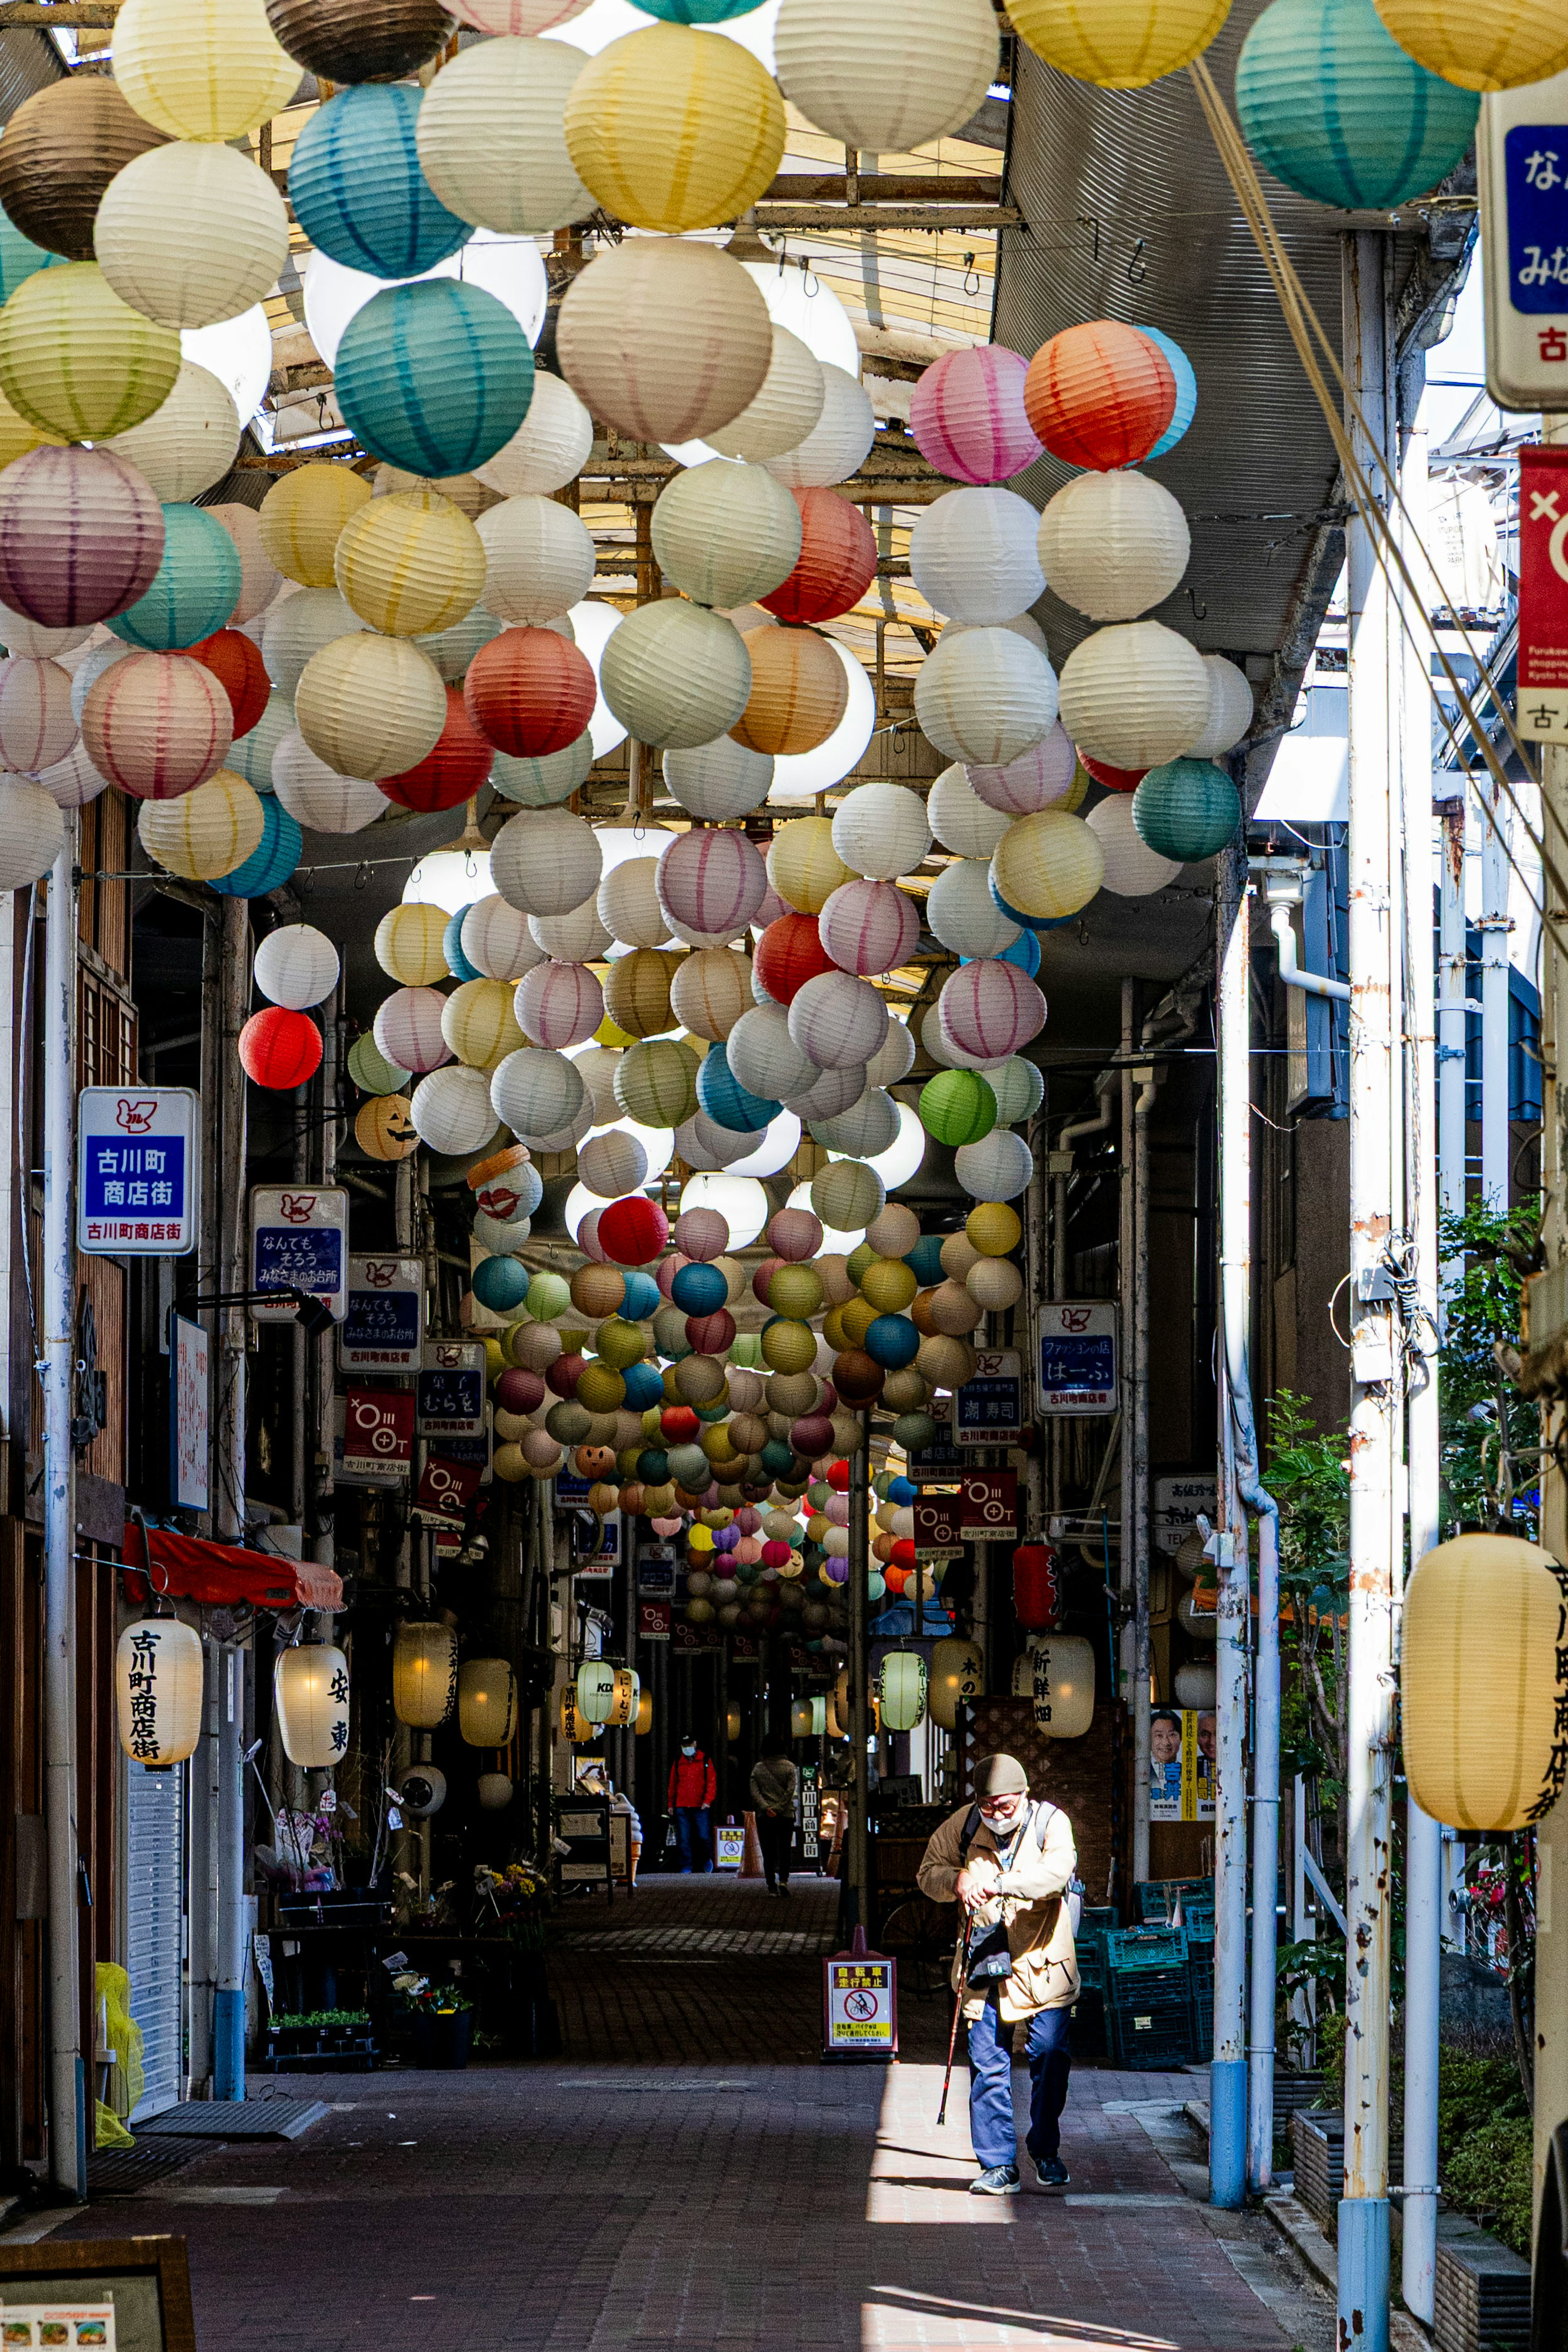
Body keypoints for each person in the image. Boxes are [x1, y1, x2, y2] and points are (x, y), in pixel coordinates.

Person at [918, 1751, 1079, 2196]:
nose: (996, 1815)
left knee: (1050, 2052)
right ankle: (997, 2164)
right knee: (988, 2064)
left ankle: (1045, 2149)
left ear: (1024, 1796)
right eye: (988, 1806)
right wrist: (957, 1881)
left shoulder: (1051, 1823)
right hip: (983, 1960)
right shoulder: (965, 1824)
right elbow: (927, 1872)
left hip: (1044, 1962)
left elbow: (1056, 1873)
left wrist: (1003, 1883)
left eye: (1005, 1806)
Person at [749, 1739, 798, 1896]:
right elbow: (791, 1791)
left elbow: (755, 1792)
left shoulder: (758, 1769)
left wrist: (767, 1808)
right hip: (786, 1815)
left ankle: (771, 1886)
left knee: (768, 1852)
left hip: (765, 1816)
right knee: (785, 1849)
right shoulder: (790, 1767)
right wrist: (779, 1808)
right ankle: (784, 1880)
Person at [668, 1734, 716, 1873]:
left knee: (704, 1836)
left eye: (689, 1745)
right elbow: (673, 1784)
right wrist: (671, 1804)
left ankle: (707, 1860)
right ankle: (686, 1865)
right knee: (684, 1838)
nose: (687, 1748)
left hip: (700, 1805)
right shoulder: (678, 1762)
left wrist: (708, 1801)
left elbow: (712, 1783)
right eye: (684, 1745)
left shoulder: (705, 1760)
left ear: (695, 1744)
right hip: (682, 1805)